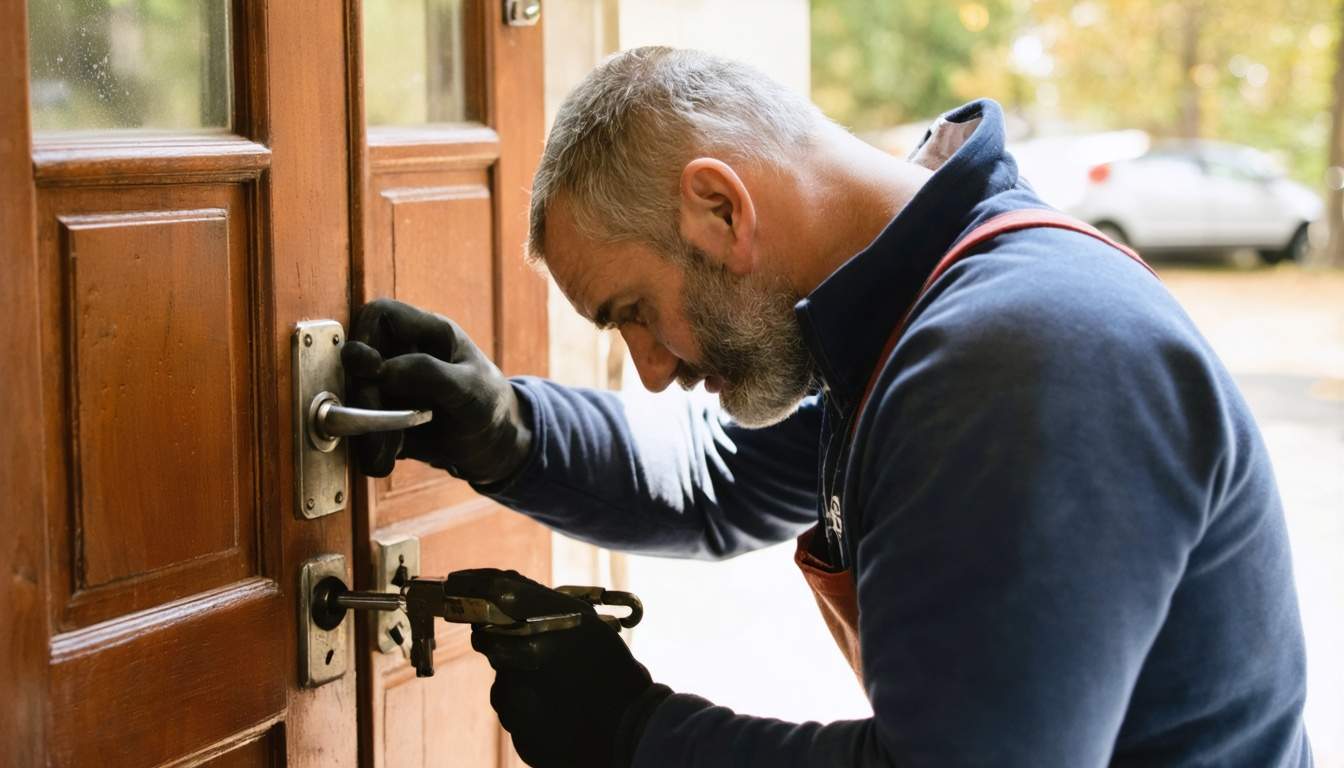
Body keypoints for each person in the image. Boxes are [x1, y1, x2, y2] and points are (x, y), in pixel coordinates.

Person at [341, 47, 1312, 767]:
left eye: (635, 312)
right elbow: (715, 481)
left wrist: (635, 736)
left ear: (721, 208)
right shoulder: (901, 322)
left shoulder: (1017, 360)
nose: (651, 369)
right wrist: (509, 430)